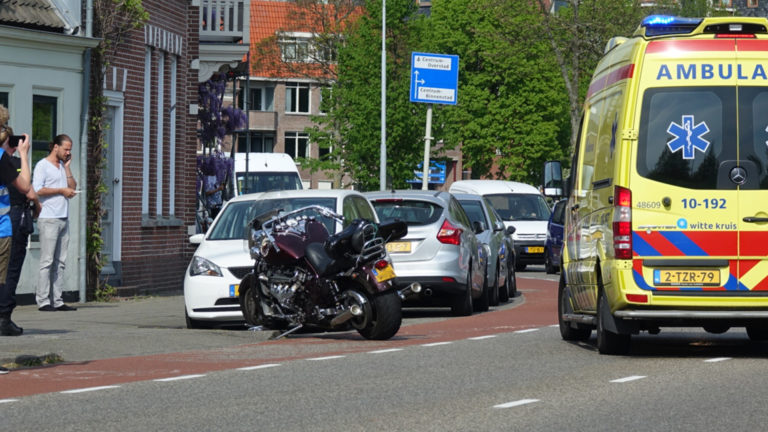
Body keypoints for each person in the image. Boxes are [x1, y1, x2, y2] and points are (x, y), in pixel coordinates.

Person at [0, 105, 34, 338]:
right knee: (5, 279)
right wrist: (23, 154)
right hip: (2, 228)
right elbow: (26, 187)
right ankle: (3, 318)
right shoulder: (3, 159)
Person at [33, 134, 78, 312]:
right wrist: (60, 190)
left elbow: (72, 186)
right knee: (47, 261)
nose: (68, 152)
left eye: (70, 150)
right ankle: (43, 300)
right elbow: (38, 190)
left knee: (60, 261)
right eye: (66, 149)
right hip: (49, 218)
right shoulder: (43, 166)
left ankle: (57, 300)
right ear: (55, 147)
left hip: (64, 218)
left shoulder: (62, 166)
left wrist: (67, 169)